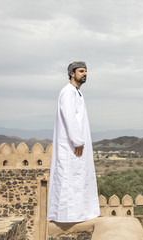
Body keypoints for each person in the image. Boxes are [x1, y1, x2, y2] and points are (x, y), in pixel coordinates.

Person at [47, 61, 100, 222]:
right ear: (72, 73)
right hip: (71, 145)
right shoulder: (67, 92)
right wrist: (77, 141)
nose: (85, 74)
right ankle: (67, 216)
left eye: (86, 71)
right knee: (69, 178)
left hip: (77, 144)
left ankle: (82, 213)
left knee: (79, 177)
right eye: (81, 71)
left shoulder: (77, 92)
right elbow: (69, 116)